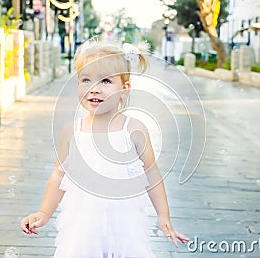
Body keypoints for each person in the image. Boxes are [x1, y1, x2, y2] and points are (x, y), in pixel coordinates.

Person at [20, 40, 190, 257]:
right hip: (81, 224)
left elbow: (152, 173)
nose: (94, 88)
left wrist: (163, 215)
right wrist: (44, 212)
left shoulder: (134, 130)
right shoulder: (72, 131)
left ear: (124, 89)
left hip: (125, 225)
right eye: (86, 80)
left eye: (106, 81)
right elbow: (58, 175)